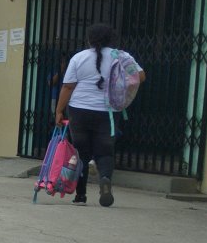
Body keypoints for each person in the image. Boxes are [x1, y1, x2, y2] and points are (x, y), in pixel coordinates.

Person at [54, 24, 146, 208]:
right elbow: (140, 76)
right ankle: (105, 180)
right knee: (105, 152)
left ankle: (80, 195)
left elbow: (68, 86)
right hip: (108, 112)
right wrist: (119, 84)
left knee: (80, 153)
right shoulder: (121, 56)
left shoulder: (79, 58)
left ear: (89, 39)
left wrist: (58, 111)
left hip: (79, 110)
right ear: (111, 39)